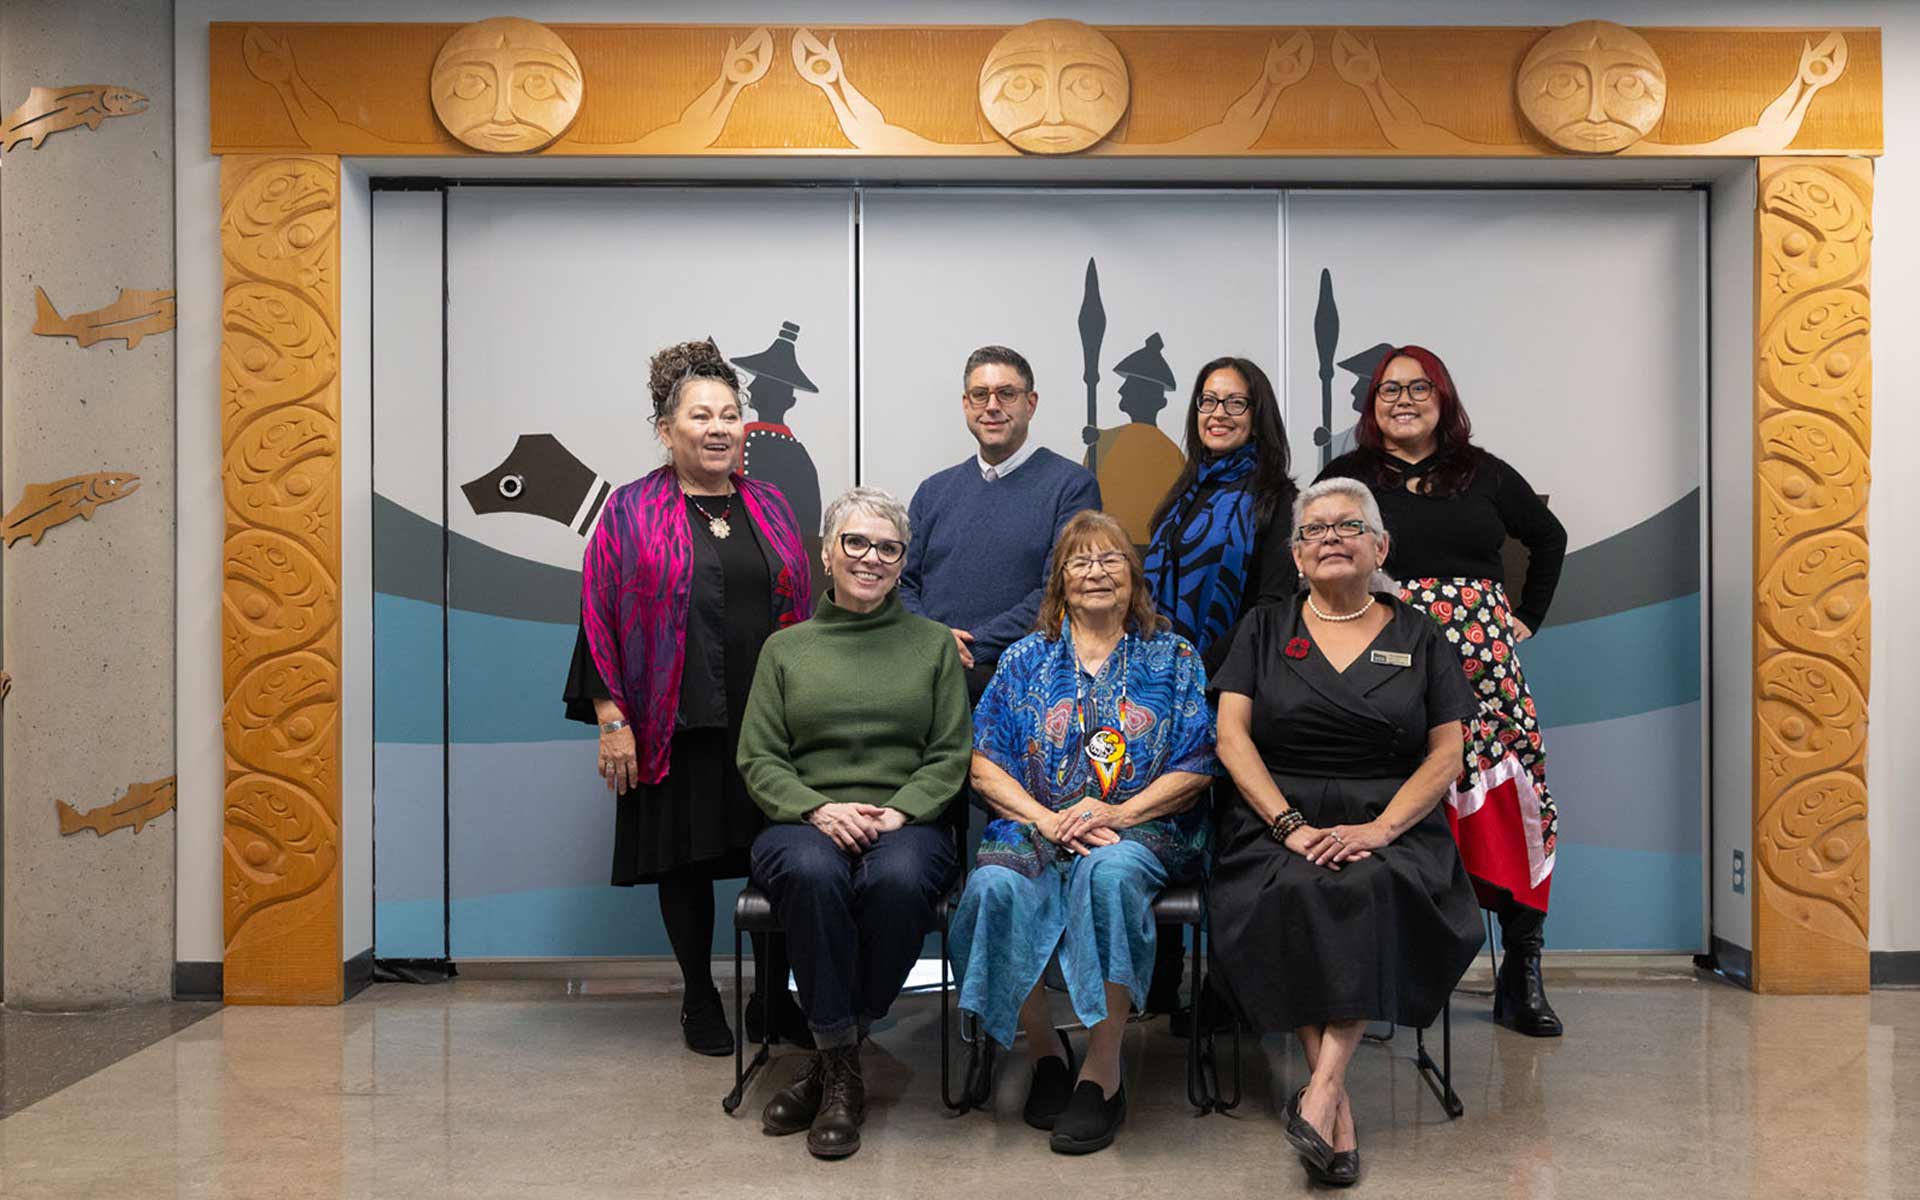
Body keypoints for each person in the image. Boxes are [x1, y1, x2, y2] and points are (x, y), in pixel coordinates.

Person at [1208, 477, 1484, 1188]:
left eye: (1348, 526)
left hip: (1391, 817)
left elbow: (1447, 753)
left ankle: (1322, 1091)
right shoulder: (1264, 628)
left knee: (1366, 883)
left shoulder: (1421, 635)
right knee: (1295, 886)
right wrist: (1291, 825)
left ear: (1380, 546)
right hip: (1276, 813)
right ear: (1296, 556)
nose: (1330, 537)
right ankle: (1335, 1102)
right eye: (1315, 529)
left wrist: (1381, 829)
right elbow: (1232, 740)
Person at [567, 339, 813, 1058]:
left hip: (768, 725)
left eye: (729, 415)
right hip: (674, 720)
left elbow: (803, 616)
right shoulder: (629, 511)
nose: (717, 428)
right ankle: (699, 998)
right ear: (665, 429)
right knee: (685, 863)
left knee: (779, 858)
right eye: (700, 415)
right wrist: (612, 720)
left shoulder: (769, 505)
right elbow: (597, 618)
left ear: (745, 428)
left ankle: (773, 999)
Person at [1319, 345, 1569, 1037]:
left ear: (1444, 396)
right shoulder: (1348, 478)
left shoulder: (1483, 472)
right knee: (1381, 794)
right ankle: (1369, 980)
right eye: (1388, 389)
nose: (1403, 398)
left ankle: (1521, 975)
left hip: (1483, 669)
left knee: (1509, 802)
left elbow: (1548, 539)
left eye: (1418, 386)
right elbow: (1316, 554)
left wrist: (1526, 618)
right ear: (1371, 405)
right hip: (1380, 659)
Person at [949, 511, 1218, 1156]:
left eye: (1110, 560)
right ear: (1059, 582)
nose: (1096, 572)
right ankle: (1045, 1052)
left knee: (1108, 874)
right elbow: (983, 763)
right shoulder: (1023, 659)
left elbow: (1197, 763)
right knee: (991, 887)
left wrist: (1117, 816)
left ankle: (1102, 1071)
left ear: (1133, 575)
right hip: (1037, 824)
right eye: (1080, 562)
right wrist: (1045, 819)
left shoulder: (1173, 655)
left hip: (1142, 830)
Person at [737, 486, 971, 1160]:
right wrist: (817, 807)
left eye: (887, 548)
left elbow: (951, 752)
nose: (871, 558)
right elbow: (758, 755)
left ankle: (830, 1062)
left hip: (908, 820)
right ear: (827, 552)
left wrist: (901, 809)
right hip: (803, 818)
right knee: (811, 872)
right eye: (856, 542)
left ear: (903, 563)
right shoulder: (786, 651)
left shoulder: (932, 646)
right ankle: (842, 1066)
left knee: (897, 883)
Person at [1138, 355, 1300, 1025]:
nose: (1219, 414)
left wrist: (1204, 671)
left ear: (1257, 414)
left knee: (1231, 840)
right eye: (1208, 401)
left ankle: (1227, 990)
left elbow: (1270, 605)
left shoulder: (1277, 499)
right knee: (1163, 821)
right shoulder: (1182, 491)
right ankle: (1162, 973)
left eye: (1236, 403)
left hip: (1234, 693)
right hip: (1164, 689)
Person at [900, 344, 1103, 701]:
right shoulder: (933, 491)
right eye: (980, 395)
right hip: (925, 679)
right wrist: (934, 640)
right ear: (966, 404)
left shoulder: (1071, 486)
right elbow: (902, 584)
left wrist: (966, 649)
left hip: (1023, 687)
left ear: (1031, 403)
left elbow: (1058, 591)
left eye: (1006, 394)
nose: (992, 406)